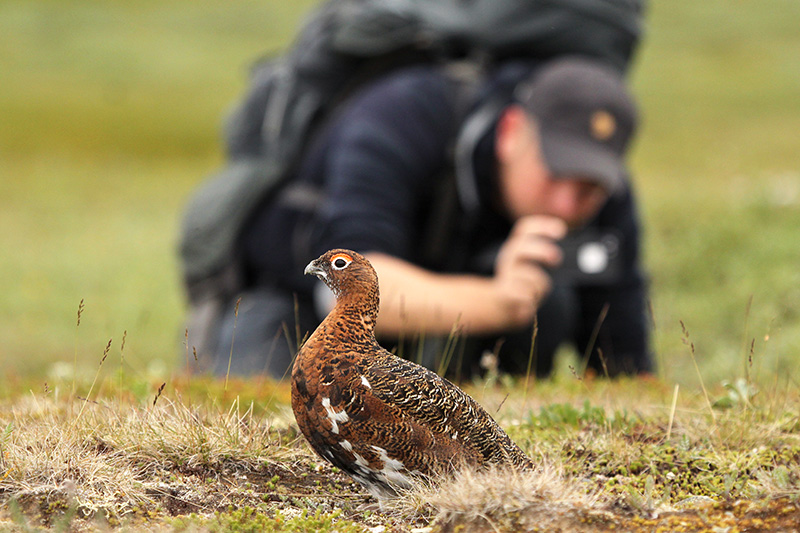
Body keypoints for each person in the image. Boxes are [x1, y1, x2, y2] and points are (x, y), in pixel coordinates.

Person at [196, 56, 654, 380]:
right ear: (511, 132)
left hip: (441, 348)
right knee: (263, 411)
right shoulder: (403, 115)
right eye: (554, 173)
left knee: (550, 306)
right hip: (291, 312)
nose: (566, 203)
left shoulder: (602, 186)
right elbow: (347, 291)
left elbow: (626, 367)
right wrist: (500, 301)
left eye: (588, 188)